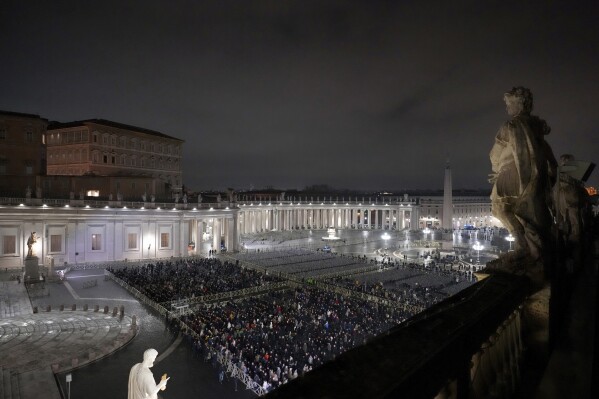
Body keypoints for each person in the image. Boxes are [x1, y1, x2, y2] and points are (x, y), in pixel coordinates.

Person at [488, 87, 557, 273]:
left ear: (519, 103)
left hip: (511, 173)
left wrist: (497, 168)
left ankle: (522, 246)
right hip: (534, 176)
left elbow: (494, 154)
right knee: (523, 210)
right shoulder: (536, 129)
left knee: (499, 208)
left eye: (509, 103)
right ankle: (531, 246)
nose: (507, 108)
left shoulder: (510, 126)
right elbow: (549, 157)